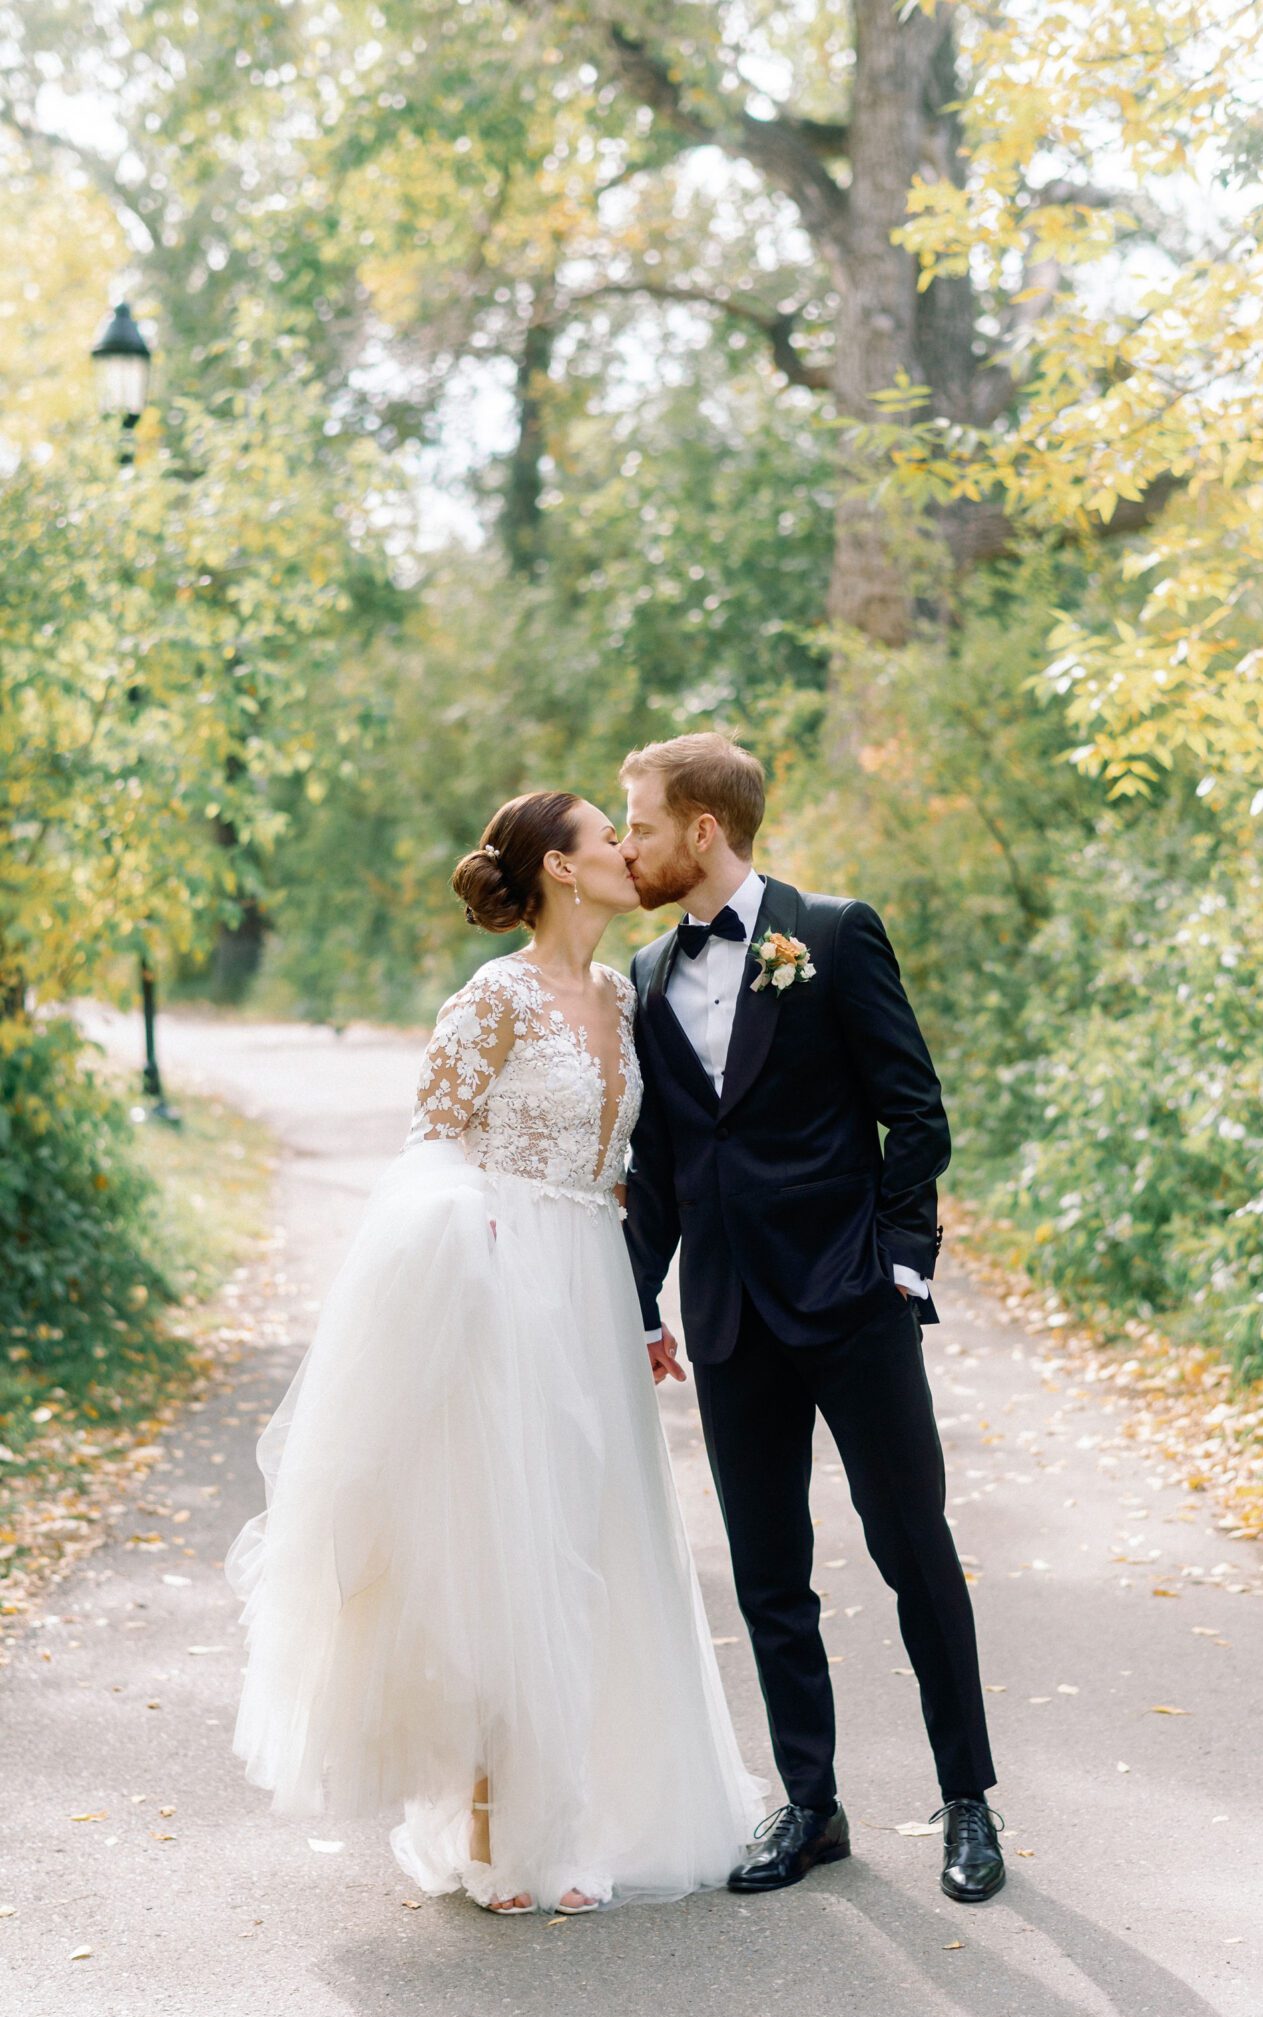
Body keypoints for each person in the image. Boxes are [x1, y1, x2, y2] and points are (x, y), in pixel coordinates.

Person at [225, 789, 763, 1915]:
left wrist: (645, 1309)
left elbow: (629, 1172)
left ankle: (572, 1818)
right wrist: (462, 1254)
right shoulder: (491, 1000)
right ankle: (490, 1828)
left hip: (591, 1286)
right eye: (604, 838)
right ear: (561, 870)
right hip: (501, 1278)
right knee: (500, 1547)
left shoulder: (622, 995)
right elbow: (430, 1147)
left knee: (587, 1543)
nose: (626, 849)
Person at [618, 733, 1004, 1905]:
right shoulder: (641, 973)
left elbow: (913, 1112)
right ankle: (811, 1802)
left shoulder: (830, 934)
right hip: (728, 1311)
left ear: (701, 828)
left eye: (637, 822)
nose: (624, 843)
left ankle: (968, 1801)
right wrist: (628, 1296)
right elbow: (662, 1161)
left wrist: (899, 1260)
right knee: (767, 1570)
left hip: (850, 1301)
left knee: (910, 1546)